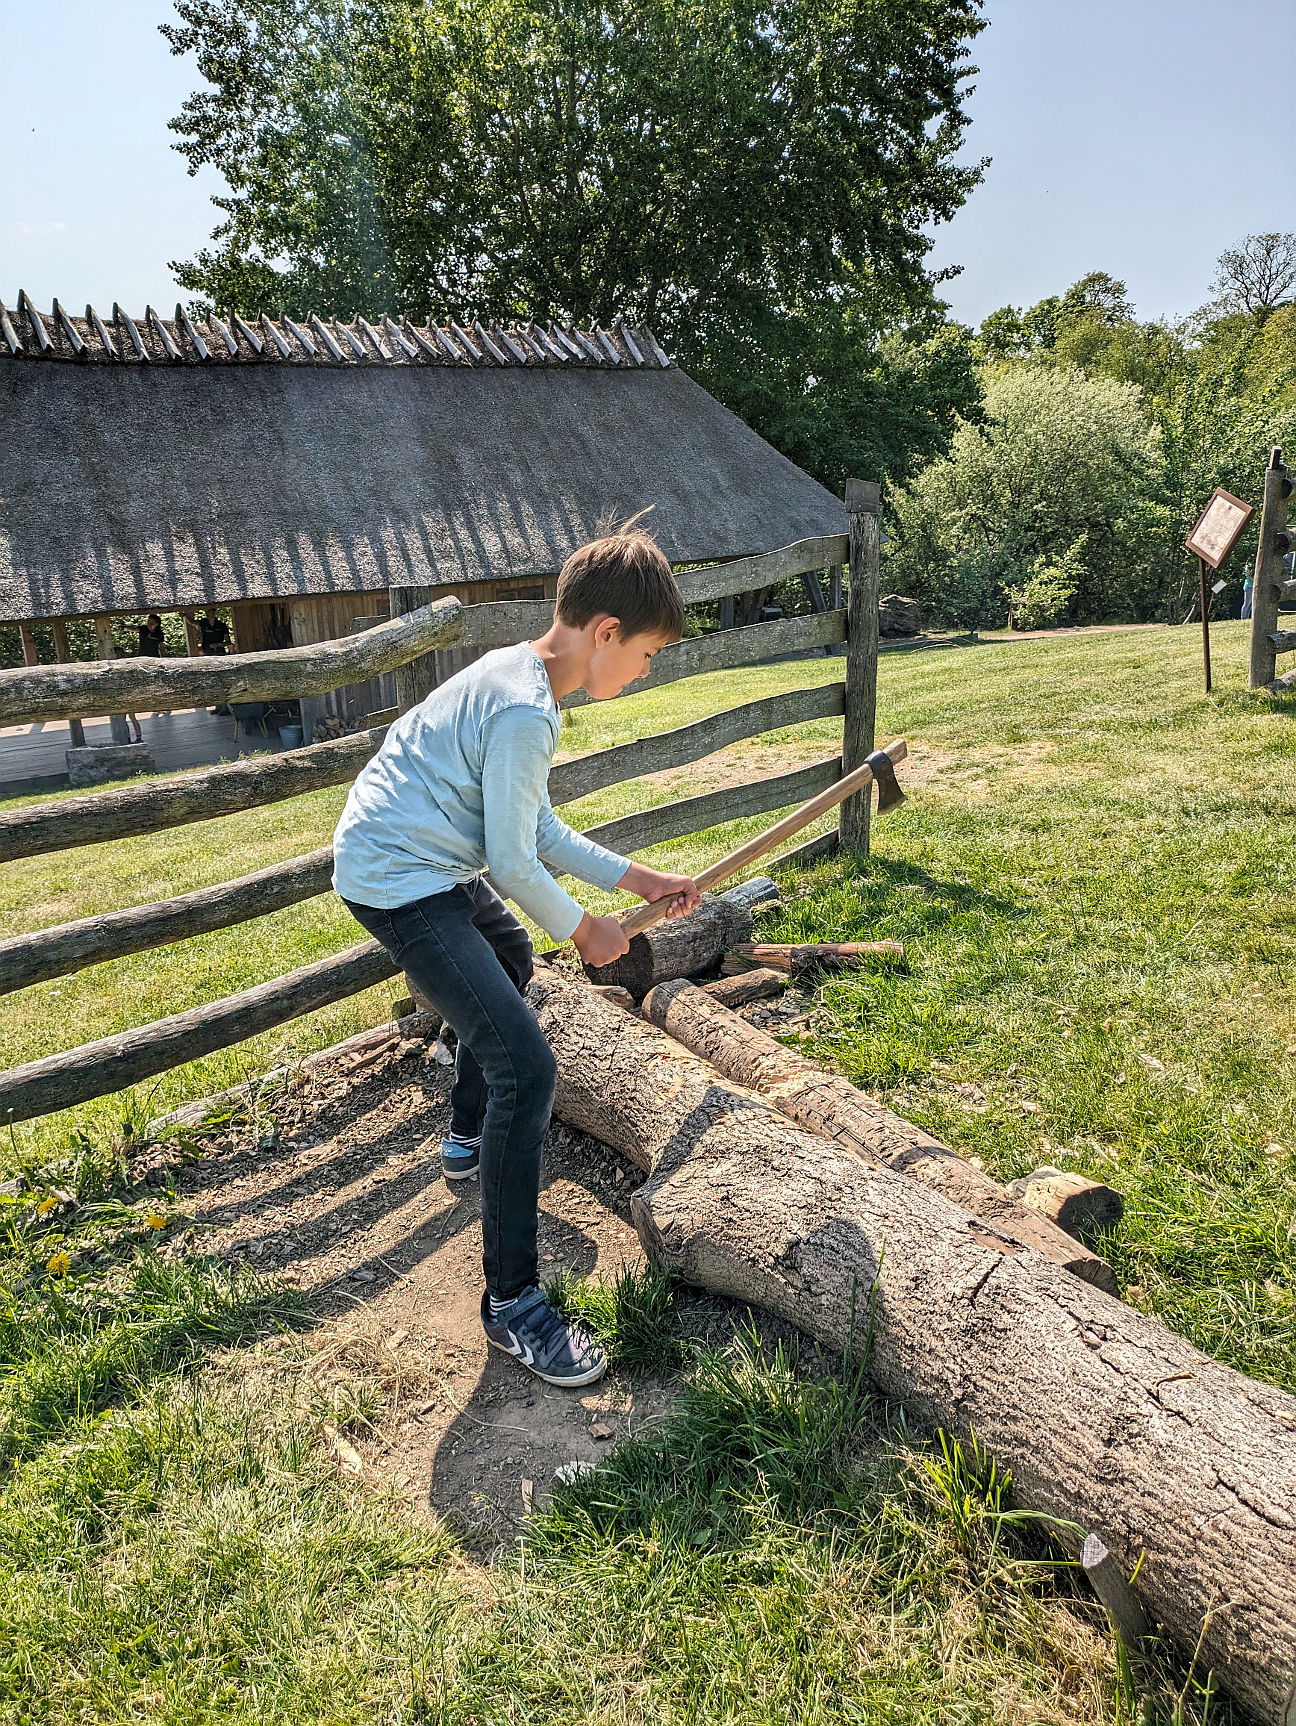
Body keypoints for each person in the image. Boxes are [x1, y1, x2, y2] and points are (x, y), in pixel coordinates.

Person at [332, 524, 700, 1389]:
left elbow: (528, 826)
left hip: (422, 859)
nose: (643, 670)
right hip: (397, 876)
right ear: (605, 632)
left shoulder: (522, 674)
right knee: (526, 1070)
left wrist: (631, 873)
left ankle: (465, 1140)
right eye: (645, 654)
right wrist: (586, 928)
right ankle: (513, 1306)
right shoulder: (526, 708)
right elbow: (508, 859)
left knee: (503, 952)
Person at [199, 607, 233, 714]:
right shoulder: (203, 624)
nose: (212, 612)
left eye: (214, 610)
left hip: (220, 654)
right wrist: (185, 616)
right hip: (208, 655)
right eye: (210, 611)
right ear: (206, 612)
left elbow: (228, 642)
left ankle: (226, 707)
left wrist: (218, 644)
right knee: (213, 681)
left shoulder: (221, 625)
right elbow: (192, 622)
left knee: (222, 680)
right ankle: (218, 706)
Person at [137, 612, 170, 718]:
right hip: (142, 659)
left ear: (157, 624)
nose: (149, 624)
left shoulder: (159, 634)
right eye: (148, 622)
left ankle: (165, 706)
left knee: (159, 683)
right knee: (148, 684)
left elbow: (161, 646)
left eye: (152, 622)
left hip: (154, 660)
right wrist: (125, 627)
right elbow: (134, 629)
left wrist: (164, 659)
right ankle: (155, 707)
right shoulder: (143, 629)